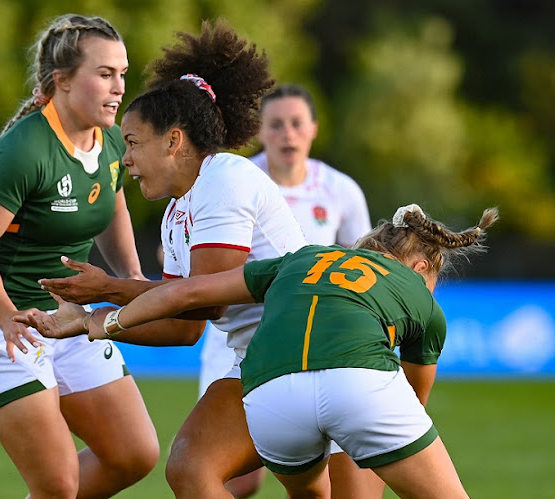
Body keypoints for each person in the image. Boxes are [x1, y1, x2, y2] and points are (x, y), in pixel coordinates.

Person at [27, 19, 324, 498]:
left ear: (174, 141)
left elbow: (210, 301)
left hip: (312, 346)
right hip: (266, 358)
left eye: (134, 142)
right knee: (205, 471)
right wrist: (85, 321)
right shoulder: (174, 214)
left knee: (199, 469)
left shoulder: (224, 174)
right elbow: (182, 327)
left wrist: (108, 291)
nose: (125, 159)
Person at [31, 204, 498, 499]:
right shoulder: (421, 300)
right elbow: (413, 398)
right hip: (360, 387)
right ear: (421, 266)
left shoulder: (305, 256)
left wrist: (98, 320)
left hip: (270, 399)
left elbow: (184, 294)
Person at [0, 14, 159, 499]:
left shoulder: (109, 138)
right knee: (58, 484)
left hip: (68, 319)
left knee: (134, 453)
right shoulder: (24, 150)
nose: (118, 87)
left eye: (122, 74)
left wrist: (132, 277)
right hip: (1, 324)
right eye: (104, 74)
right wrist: (5, 317)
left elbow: (110, 202)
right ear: (61, 81)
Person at [199, 83, 373, 497]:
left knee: (325, 474)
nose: (287, 134)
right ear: (260, 131)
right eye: (276, 125)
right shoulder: (233, 179)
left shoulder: (340, 190)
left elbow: (365, 264)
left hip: (310, 341)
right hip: (234, 341)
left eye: (297, 124)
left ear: (313, 129)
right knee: (234, 475)